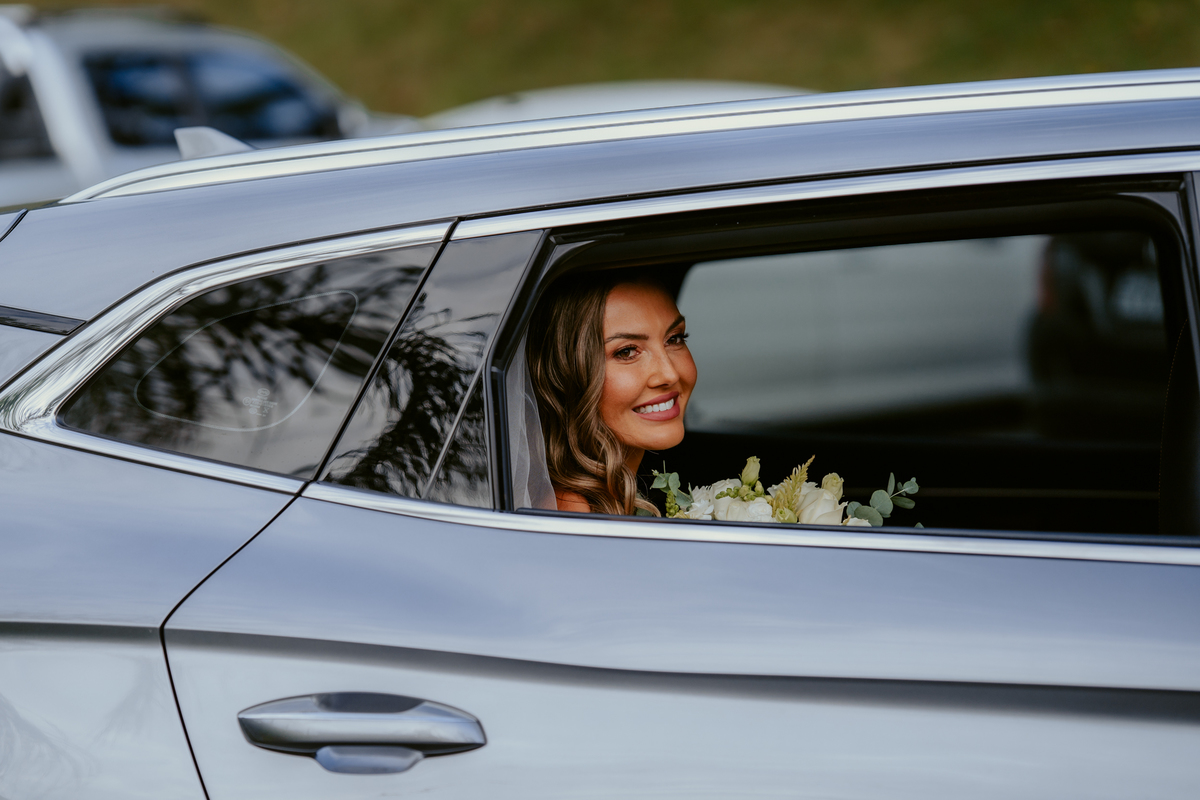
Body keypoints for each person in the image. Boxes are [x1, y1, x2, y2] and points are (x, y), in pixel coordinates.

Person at [526, 270, 697, 515]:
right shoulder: (573, 515)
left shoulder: (607, 501)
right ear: (566, 375)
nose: (669, 374)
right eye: (626, 352)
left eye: (675, 339)